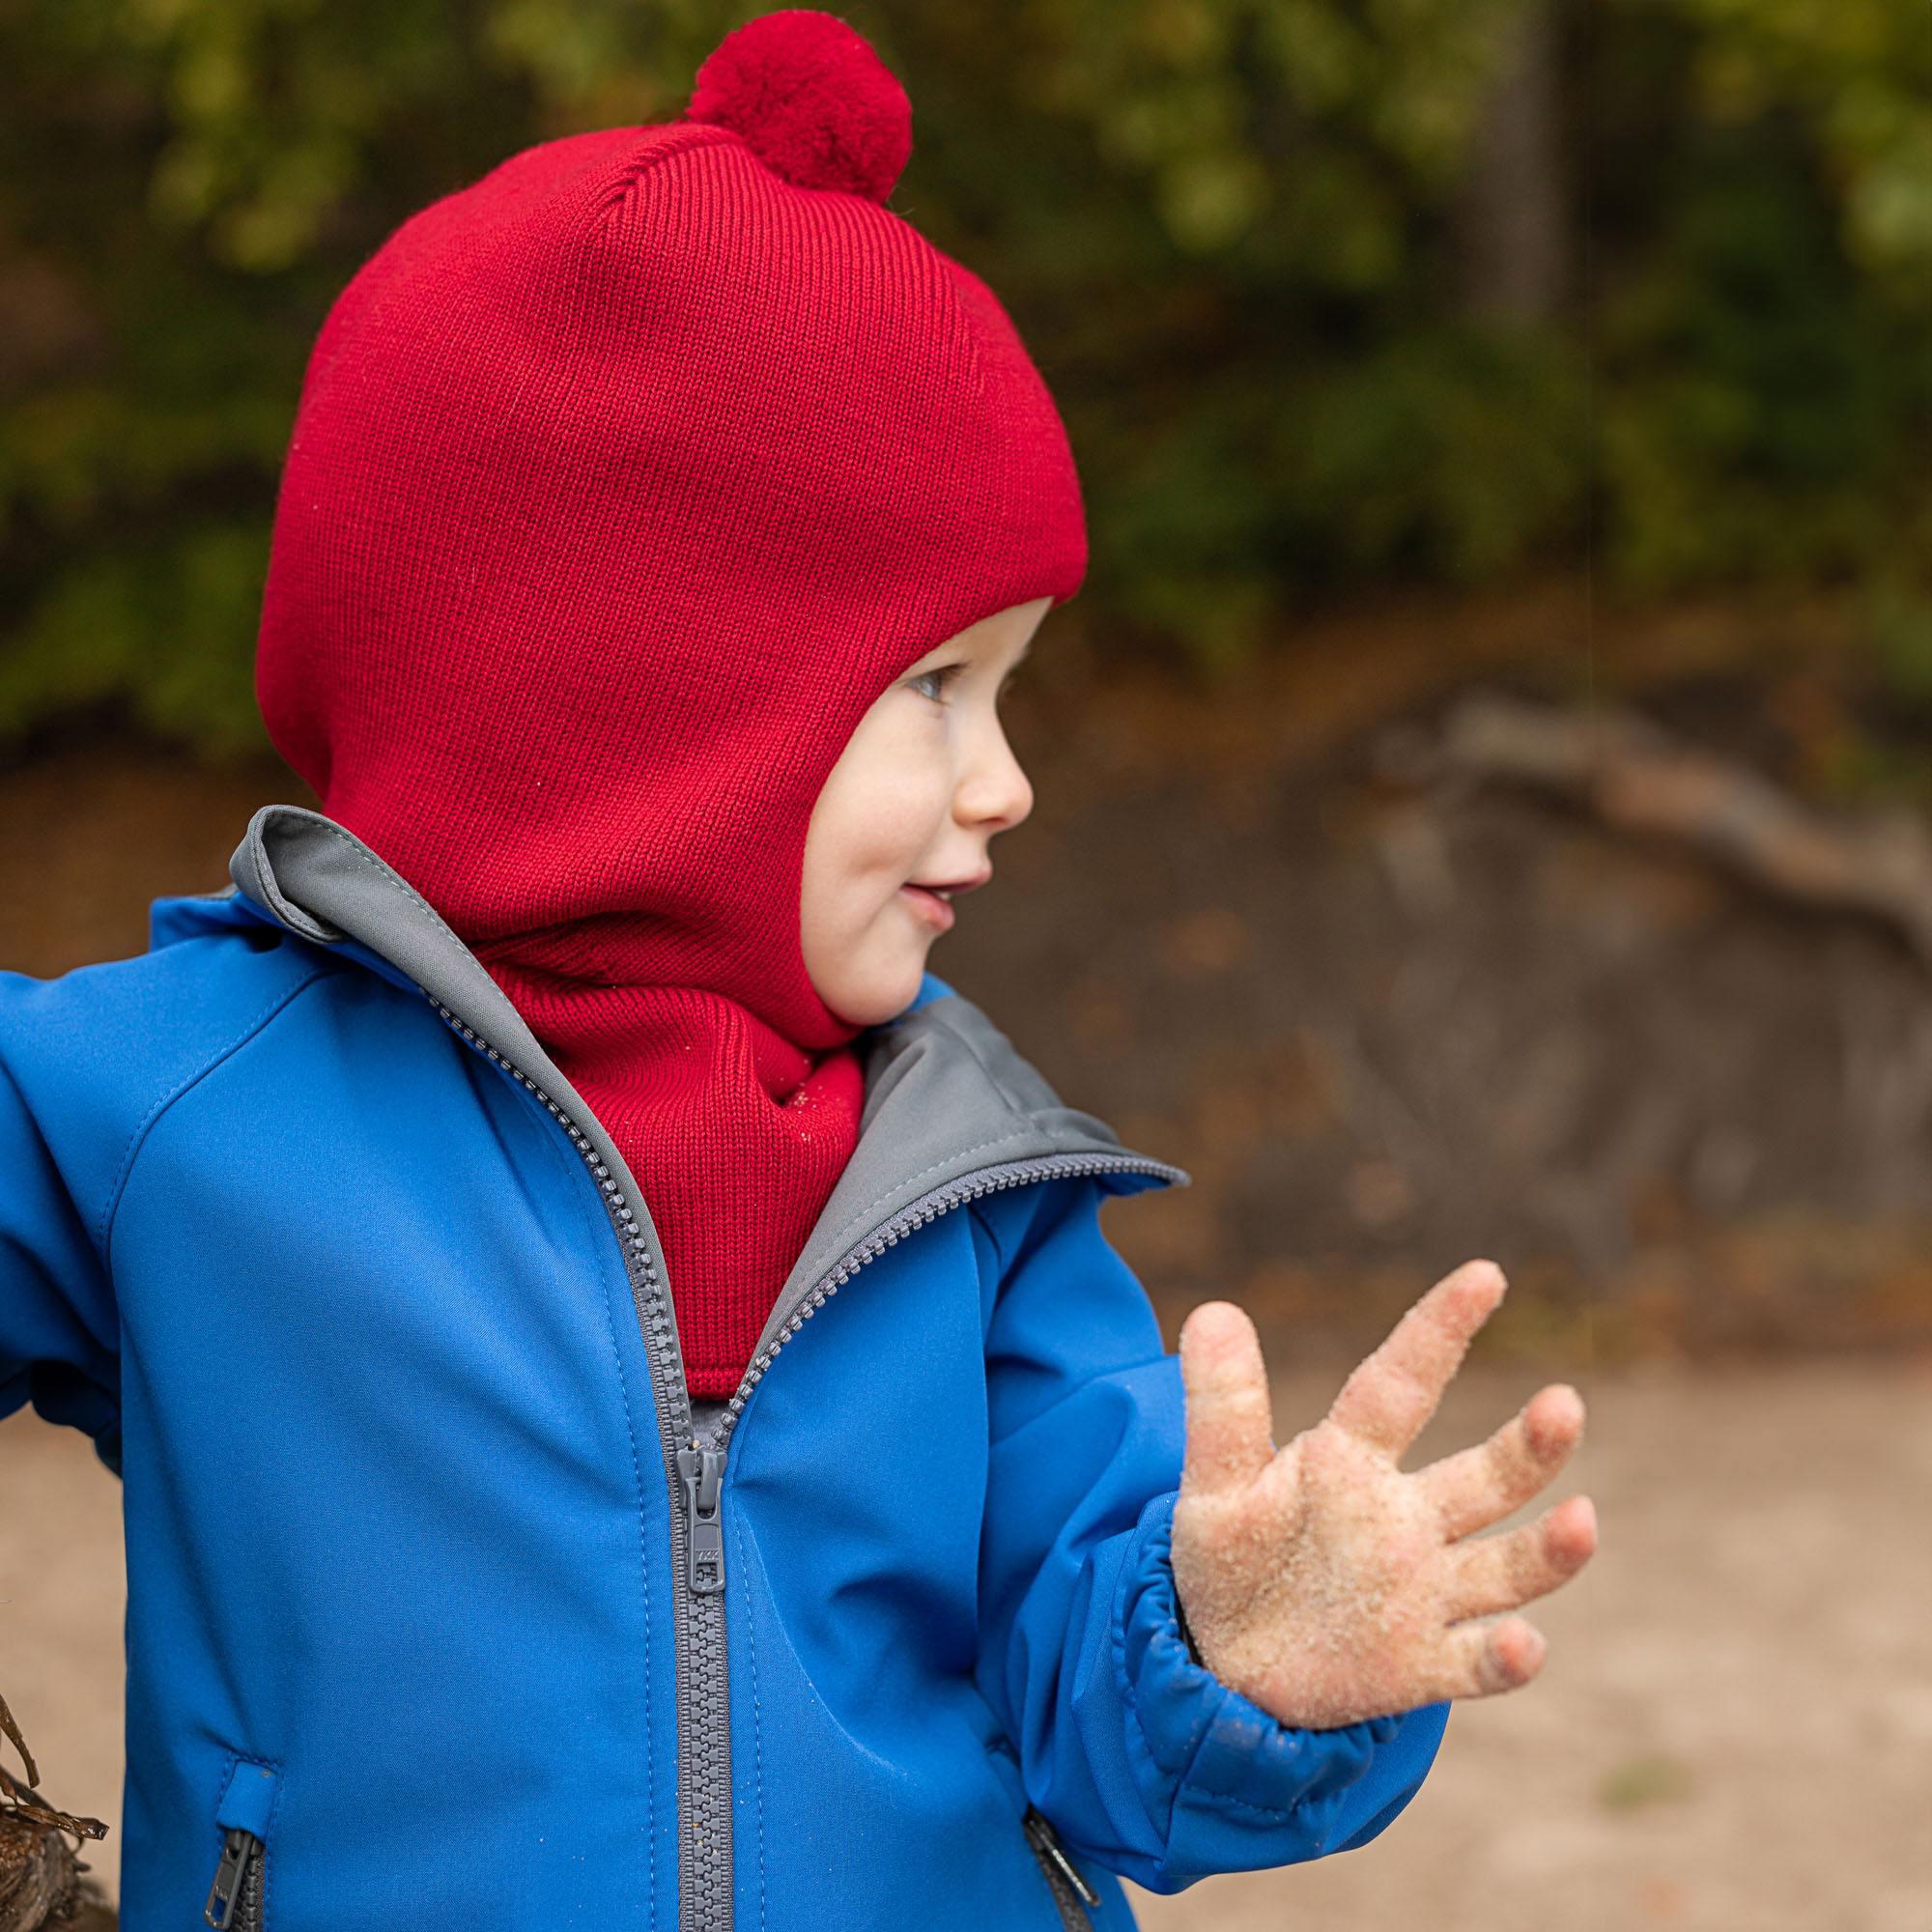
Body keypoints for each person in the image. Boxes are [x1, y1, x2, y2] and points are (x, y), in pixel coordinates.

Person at [0, 12, 1595, 1928]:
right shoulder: (179, 1103)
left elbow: (1108, 1697)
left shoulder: (960, 1183)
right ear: (639, 680)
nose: (1005, 782)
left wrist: (1241, 1657)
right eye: (937, 687)